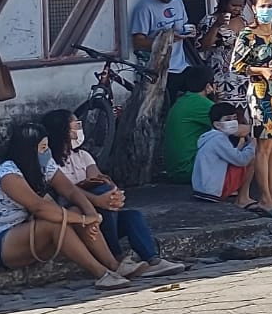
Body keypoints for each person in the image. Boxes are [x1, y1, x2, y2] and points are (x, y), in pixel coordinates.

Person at [0, 122, 133, 290]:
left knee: (74, 210)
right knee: (56, 224)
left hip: (28, 231)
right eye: (43, 148)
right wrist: (84, 219)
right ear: (28, 150)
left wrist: (90, 213)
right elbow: (39, 207)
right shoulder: (8, 174)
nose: (47, 152)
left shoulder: (44, 164)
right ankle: (101, 274)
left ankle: (114, 265)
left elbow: (70, 190)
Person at [40, 109, 184, 278]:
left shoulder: (83, 156)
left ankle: (153, 260)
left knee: (133, 216)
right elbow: (67, 190)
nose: (79, 129)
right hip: (77, 215)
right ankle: (116, 257)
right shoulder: (49, 164)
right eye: (75, 126)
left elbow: (98, 180)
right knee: (104, 202)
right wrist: (99, 200)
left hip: (102, 212)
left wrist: (113, 195)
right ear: (62, 131)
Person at [230, 0, 272, 216]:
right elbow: (237, 66)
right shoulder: (248, 35)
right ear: (255, 9)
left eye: (271, 5)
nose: (267, 10)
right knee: (263, 147)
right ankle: (264, 197)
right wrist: (261, 70)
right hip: (259, 93)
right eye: (263, 6)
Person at [130, 0, 196, 82]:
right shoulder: (145, 7)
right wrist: (164, 40)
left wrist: (190, 32)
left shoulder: (178, 1)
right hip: (158, 68)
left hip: (181, 64)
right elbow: (138, 42)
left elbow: (183, 25)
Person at [191, 102, 258, 207]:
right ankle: (243, 197)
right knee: (251, 157)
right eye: (227, 120)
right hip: (212, 191)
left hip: (202, 189)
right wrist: (253, 143)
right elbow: (241, 160)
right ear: (217, 124)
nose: (232, 122)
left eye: (234, 118)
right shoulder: (219, 139)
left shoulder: (209, 137)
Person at [162, 64, 217, 185]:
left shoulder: (183, 100)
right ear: (208, 86)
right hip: (187, 169)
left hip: (174, 169)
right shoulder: (203, 104)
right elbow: (230, 127)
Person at [196, 0, 250, 104]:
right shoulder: (209, 20)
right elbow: (203, 46)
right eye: (234, 5)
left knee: (241, 111)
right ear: (223, 3)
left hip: (241, 76)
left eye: (241, 6)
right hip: (220, 77)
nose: (237, 9)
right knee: (223, 112)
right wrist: (217, 25)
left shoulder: (243, 21)